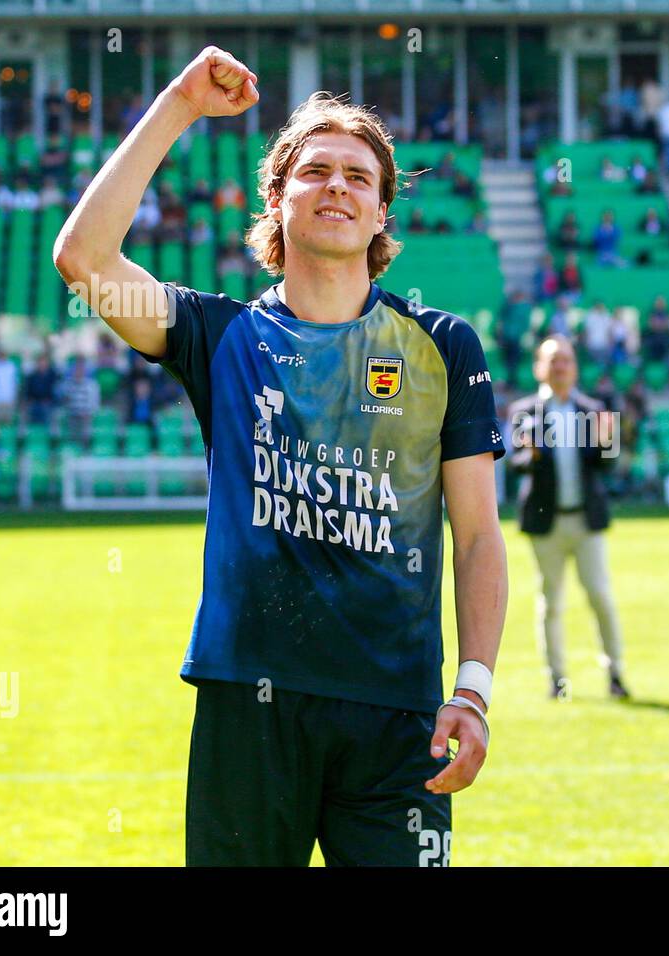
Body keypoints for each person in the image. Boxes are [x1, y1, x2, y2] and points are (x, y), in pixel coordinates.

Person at [54, 47, 507, 867]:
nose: (337, 185)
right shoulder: (220, 336)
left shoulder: (441, 347)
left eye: (360, 178)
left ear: (380, 217)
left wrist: (472, 692)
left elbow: (477, 535)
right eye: (316, 171)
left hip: (397, 719)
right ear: (277, 200)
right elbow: (84, 258)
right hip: (247, 706)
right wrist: (181, 104)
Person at [508, 336, 627, 701]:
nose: (560, 366)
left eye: (566, 360)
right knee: (550, 602)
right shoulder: (524, 411)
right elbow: (515, 463)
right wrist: (530, 454)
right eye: (553, 360)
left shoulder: (592, 410)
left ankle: (615, 673)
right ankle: (557, 679)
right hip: (546, 522)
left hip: (585, 520)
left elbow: (607, 466)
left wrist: (610, 441)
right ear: (539, 368)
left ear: (575, 368)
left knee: (600, 595)